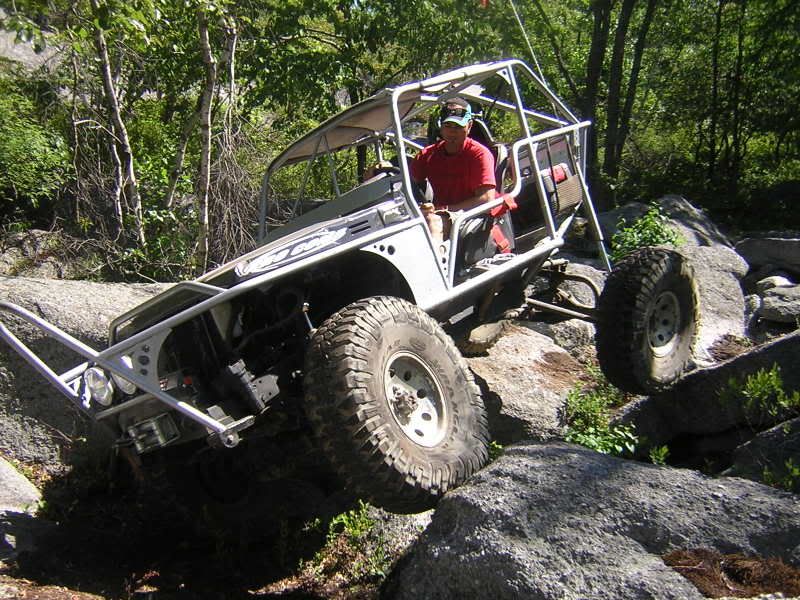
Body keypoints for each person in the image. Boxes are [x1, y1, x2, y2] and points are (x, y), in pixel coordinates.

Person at [410, 97, 496, 212]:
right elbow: (408, 183)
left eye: (458, 127)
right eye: (448, 126)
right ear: (441, 127)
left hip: (473, 218)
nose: (452, 132)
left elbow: (486, 200)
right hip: (440, 215)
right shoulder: (427, 155)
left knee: (433, 222)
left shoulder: (479, 154)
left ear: (469, 126)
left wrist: (443, 210)